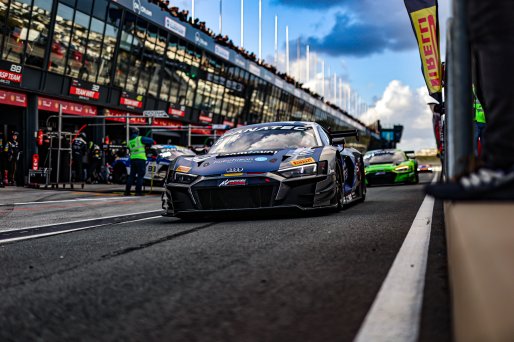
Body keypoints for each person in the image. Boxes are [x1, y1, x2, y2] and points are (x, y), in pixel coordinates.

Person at [426, 0, 514, 200]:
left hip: (480, 121)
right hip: (479, 120)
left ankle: (504, 165)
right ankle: (501, 163)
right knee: (483, 28)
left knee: (491, 21)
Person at [124, 127, 153, 196]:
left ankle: (127, 191)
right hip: (141, 159)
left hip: (133, 159)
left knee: (131, 175)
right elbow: (151, 140)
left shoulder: (129, 142)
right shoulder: (140, 138)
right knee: (140, 175)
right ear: (137, 132)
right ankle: (138, 192)